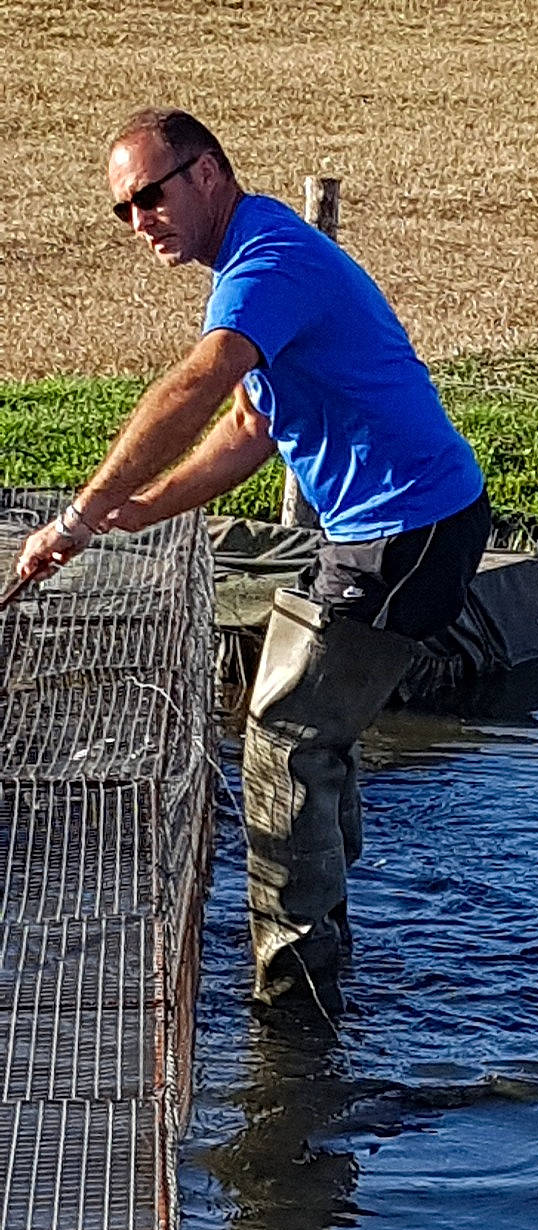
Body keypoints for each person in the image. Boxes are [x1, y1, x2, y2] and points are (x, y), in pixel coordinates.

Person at [15, 108, 490, 1013]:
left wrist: (78, 514)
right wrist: (138, 508)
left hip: (409, 530)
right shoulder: (251, 263)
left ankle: (296, 992)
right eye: (122, 210)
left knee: (284, 739)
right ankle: (326, 917)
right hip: (375, 529)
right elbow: (250, 427)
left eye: (149, 195)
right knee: (293, 702)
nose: (138, 221)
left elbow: (198, 385)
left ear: (206, 173)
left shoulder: (270, 261)